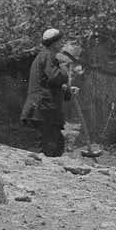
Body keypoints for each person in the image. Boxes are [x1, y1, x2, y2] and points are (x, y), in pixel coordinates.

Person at [21, 27, 74, 157]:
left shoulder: (45, 56)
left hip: (43, 109)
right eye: (60, 41)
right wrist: (65, 71)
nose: (62, 44)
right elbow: (55, 77)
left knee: (56, 144)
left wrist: (67, 90)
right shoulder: (47, 56)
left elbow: (50, 83)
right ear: (54, 43)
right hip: (43, 109)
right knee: (47, 147)